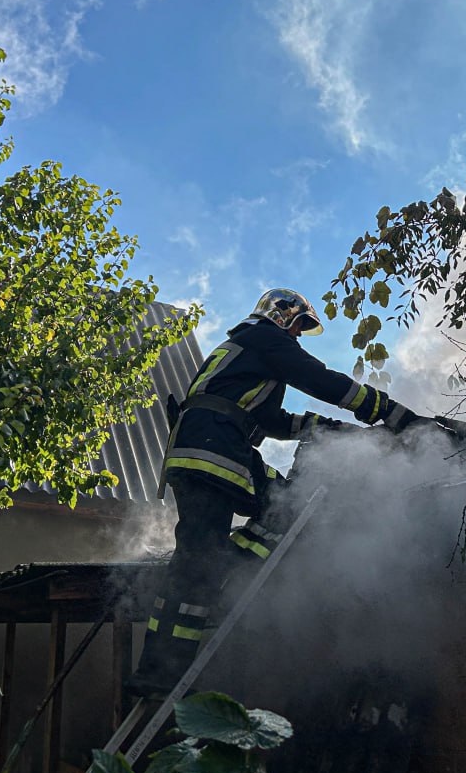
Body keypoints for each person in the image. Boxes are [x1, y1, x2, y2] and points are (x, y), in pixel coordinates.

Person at [128, 288, 424, 695]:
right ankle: (164, 671)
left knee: (239, 532)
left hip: (206, 452)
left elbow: (269, 420)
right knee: (213, 555)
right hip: (216, 452)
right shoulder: (264, 338)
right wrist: (387, 412)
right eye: (299, 325)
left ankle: (220, 575)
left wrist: (328, 429)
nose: (299, 336)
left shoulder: (243, 352)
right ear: (281, 315)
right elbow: (320, 379)